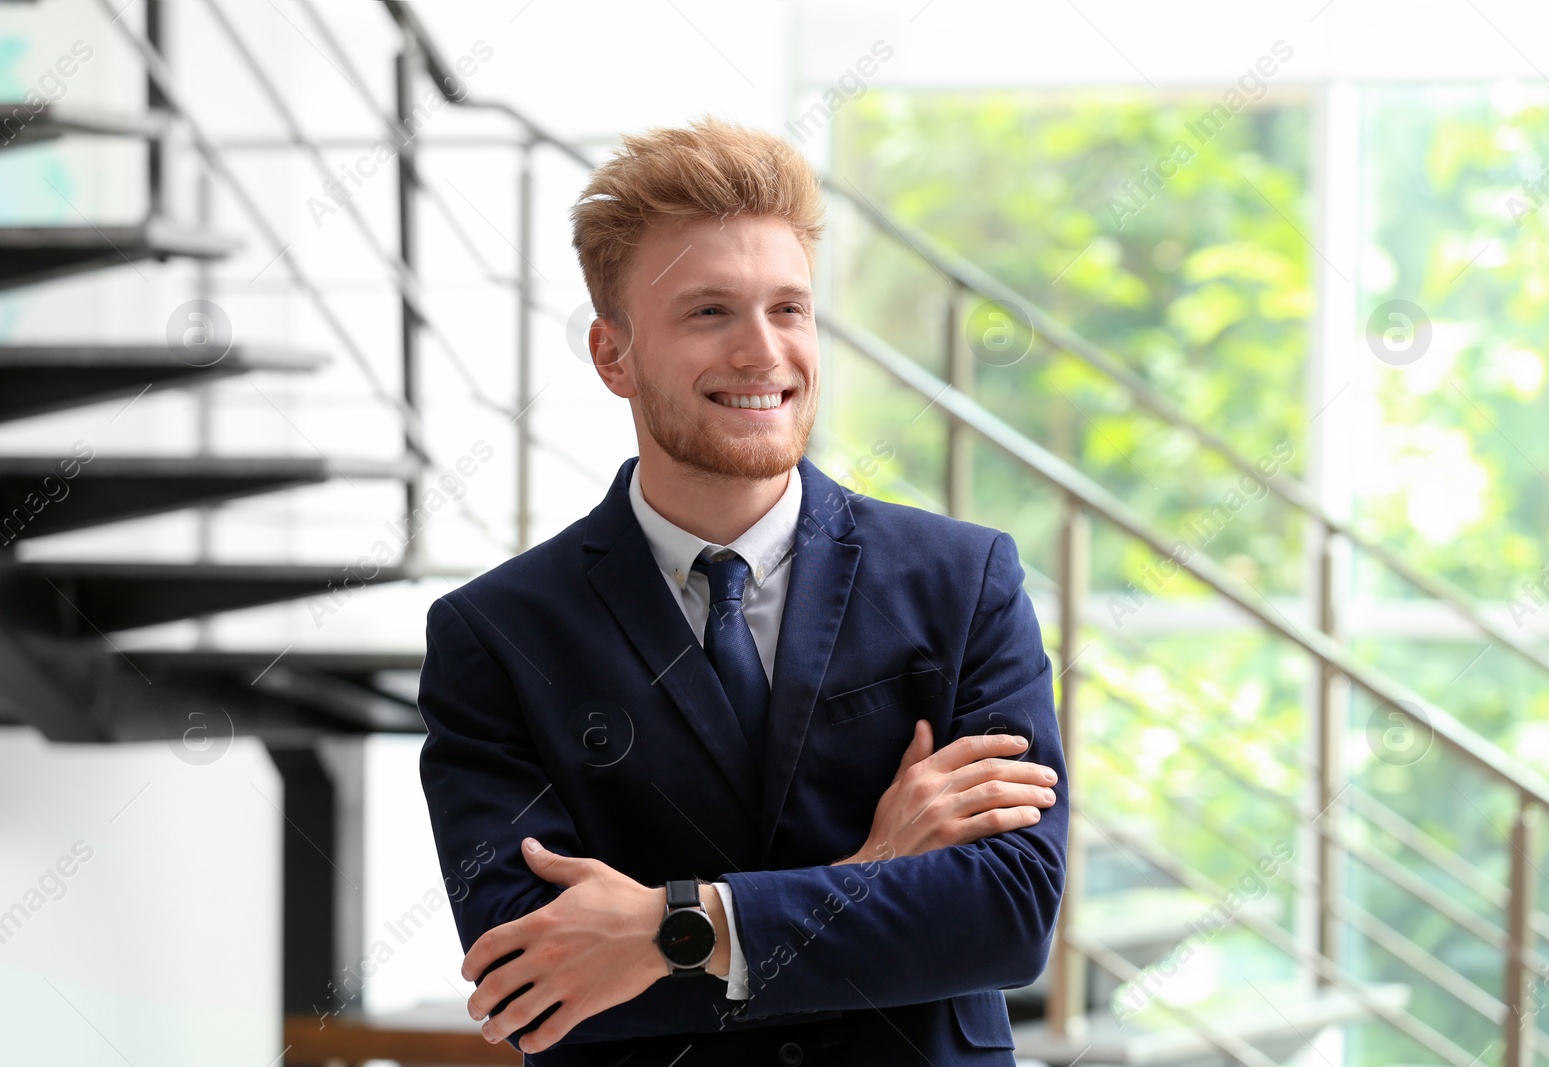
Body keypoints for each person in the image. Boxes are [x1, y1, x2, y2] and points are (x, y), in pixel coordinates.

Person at [416, 114, 1067, 1067]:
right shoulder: (498, 632)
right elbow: (531, 983)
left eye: (789, 308)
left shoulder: (963, 581)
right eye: (708, 311)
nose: (763, 352)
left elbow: (1005, 917)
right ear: (613, 356)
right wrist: (875, 872)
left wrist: (670, 926)